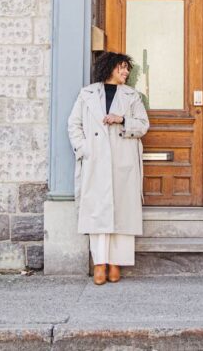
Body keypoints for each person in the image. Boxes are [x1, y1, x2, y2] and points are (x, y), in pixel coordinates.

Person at [68, 51, 150, 285]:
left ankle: (116, 263)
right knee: (98, 213)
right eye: (122, 68)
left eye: (127, 69)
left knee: (122, 212)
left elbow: (144, 125)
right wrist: (84, 149)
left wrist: (122, 120)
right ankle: (100, 263)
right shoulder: (87, 94)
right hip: (95, 160)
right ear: (110, 68)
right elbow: (74, 124)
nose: (125, 72)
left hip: (123, 159)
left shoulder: (132, 96)